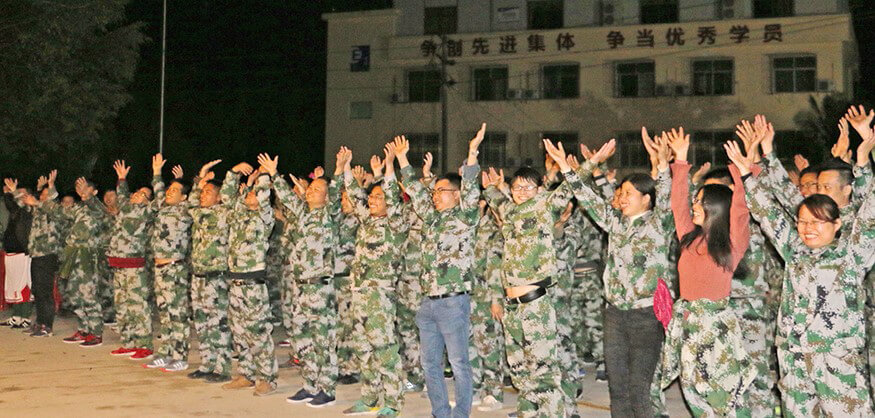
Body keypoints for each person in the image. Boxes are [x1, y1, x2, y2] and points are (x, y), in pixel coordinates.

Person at [742, 137, 875, 416]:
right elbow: (768, 214)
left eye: (817, 222)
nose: (808, 228)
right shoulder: (794, 250)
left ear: (837, 224)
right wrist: (746, 175)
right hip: (794, 359)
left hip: (836, 360)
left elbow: (870, 214)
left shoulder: (852, 254)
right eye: (802, 221)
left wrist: (865, 160)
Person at [567, 131, 674, 418]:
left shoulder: (658, 224)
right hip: (614, 314)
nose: (622, 198)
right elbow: (587, 197)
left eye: (628, 194)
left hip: (645, 315)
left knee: (640, 388)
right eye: (621, 192)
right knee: (618, 388)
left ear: (646, 199)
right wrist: (569, 169)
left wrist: (662, 165)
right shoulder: (615, 223)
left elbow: (666, 197)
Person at [483, 139, 582, 417]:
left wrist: (570, 166)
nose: (522, 192)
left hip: (536, 303)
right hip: (513, 306)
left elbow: (572, 187)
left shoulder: (544, 209)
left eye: (528, 187)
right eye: (517, 187)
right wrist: (490, 185)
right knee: (520, 371)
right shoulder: (510, 213)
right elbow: (493, 196)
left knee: (543, 373)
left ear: (540, 190)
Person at [660, 129, 756, 416]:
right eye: (696, 199)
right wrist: (680, 160)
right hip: (688, 325)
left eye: (700, 201)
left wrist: (741, 170)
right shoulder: (689, 238)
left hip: (716, 329)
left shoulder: (732, 244)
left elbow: (740, 208)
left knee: (723, 397)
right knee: (693, 393)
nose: (694, 205)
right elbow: (678, 204)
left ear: (717, 208)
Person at [396, 125, 484, 418]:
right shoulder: (432, 219)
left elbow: (471, 188)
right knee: (430, 365)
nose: (434, 196)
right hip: (427, 302)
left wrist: (472, 153)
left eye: (441, 191)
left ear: (457, 195)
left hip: (452, 302)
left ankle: (460, 414)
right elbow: (414, 191)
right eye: (434, 192)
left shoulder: (465, 217)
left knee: (459, 364)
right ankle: (440, 412)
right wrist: (403, 160)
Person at [340, 144, 408, 417]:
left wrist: (389, 168)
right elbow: (354, 195)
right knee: (363, 349)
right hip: (359, 293)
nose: (372, 200)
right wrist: (346, 167)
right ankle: (370, 399)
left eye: (379, 198)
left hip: (379, 296)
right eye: (372, 197)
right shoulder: (367, 221)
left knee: (385, 350)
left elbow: (391, 194)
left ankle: (393, 402)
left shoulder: (396, 224)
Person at [274, 159, 342, 408]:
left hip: (319, 287)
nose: (310, 191)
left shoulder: (329, 215)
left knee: (323, 340)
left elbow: (336, 193)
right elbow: (287, 198)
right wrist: (274, 174)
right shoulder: (303, 214)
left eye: (317, 189)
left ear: (327, 196)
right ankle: (310, 384)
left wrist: (339, 169)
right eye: (310, 188)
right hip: (300, 286)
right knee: (302, 339)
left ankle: (327, 389)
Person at [221, 154, 278, 396]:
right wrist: (234, 172)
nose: (250, 195)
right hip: (235, 281)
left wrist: (264, 175)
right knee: (239, 330)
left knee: (257, 332)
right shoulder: (239, 215)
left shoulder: (264, 218)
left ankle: (266, 378)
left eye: (254, 194)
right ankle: (246, 373)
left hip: (253, 283)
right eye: (249, 193)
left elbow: (264, 197)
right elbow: (226, 196)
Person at [187, 159, 239, 383]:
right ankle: (207, 363)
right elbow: (190, 204)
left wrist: (233, 173)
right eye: (203, 192)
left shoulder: (223, 213)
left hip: (216, 277)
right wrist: (200, 176)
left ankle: (222, 368)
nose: (203, 195)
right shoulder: (199, 214)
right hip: (198, 277)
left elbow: (229, 196)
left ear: (218, 197)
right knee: (202, 323)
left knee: (218, 323)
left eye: (208, 192)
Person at [144, 154, 194, 372]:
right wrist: (157, 173)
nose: (169, 192)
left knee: (177, 314)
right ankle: (165, 353)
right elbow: (158, 191)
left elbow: (196, 197)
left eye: (175, 190)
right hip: (159, 268)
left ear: (184, 197)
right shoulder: (162, 208)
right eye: (169, 189)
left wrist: (197, 178)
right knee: (164, 314)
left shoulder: (185, 210)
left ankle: (180, 356)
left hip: (174, 268)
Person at [105, 161, 156, 361]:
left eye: (143, 194)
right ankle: (128, 343)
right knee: (122, 306)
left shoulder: (147, 212)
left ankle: (144, 345)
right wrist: (122, 178)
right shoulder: (125, 208)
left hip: (134, 266)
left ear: (148, 200)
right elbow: (122, 194)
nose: (137, 195)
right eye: (137, 192)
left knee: (138, 306)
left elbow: (158, 202)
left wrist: (157, 176)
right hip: (118, 264)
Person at [7, 172, 61, 337]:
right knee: (37, 290)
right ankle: (39, 322)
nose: (41, 197)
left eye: (45, 195)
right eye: (41, 195)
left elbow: (49, 205)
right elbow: (23, 204)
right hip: (36, 254)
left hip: (47, 255)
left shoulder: (54, 210)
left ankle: (47, 326)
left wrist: (50, 187)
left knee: (44, 291)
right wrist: (14, 191)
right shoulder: (38, 210)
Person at [60, 177, 109, 347]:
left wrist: (88, 197)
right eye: (79, 188)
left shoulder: (98, 208)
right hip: (75, 256)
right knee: (74, 295)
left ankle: (96, 333)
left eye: (86, 188)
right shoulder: (79, 209)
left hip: (89, 257)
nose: (81, 190)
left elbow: (96, 208)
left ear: (94, 192)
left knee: (88, 295)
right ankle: (83, 329)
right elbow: (60, 212)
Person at [2, 179, 34, 330]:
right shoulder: (18, 211)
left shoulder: (29, 209)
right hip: (11, 252)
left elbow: (12, 205)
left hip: (22, 253)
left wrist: (11, 193)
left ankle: (25, 317)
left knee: (23, 285)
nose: (19, 196)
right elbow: (12, 206)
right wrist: (9, 193)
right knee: (14, 285)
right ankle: (16, 316)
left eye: (22, 194)